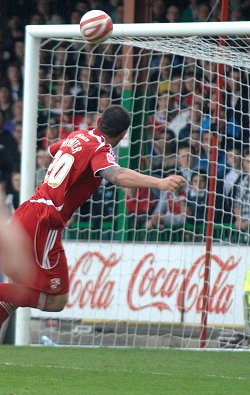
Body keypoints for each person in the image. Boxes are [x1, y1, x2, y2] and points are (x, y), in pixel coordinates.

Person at [0, 105, 186, 331]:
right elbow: (117, 175)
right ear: (123, 134)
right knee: (55, 300)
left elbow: (52, 151)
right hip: (44, 219)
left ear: (99, 120)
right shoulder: (100, 148)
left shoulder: (77, 135)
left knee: (16, 289)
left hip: (30, 211)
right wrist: (160, 182)